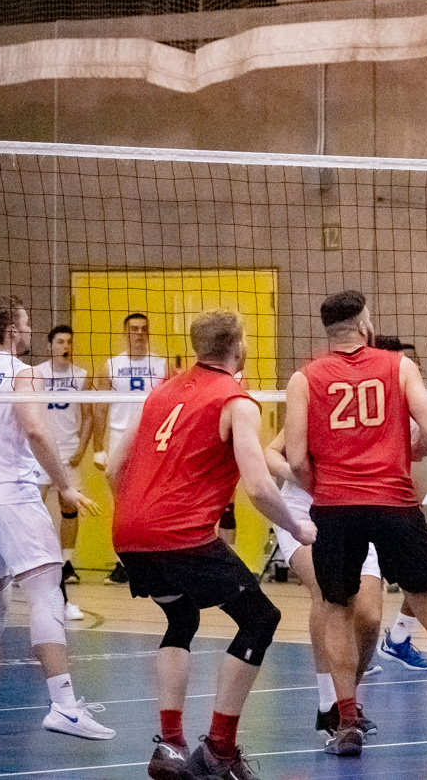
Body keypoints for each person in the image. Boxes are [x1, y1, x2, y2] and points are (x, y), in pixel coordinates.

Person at [284, 290, 427, 757]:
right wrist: (403, 457)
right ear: (365, 324)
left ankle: (346, 723)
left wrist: (323, 486)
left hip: (336, 506)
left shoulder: (304, 379)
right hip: (394, 500)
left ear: (328, 331)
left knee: (338, 610)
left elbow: (297, 458)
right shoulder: (398, 366)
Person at [108, 309, 313, 780]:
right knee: (261, 618)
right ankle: (220, 749)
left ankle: (171, 746)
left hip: (130, 533)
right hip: (180, 535)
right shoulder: (237, 402)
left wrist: (139, 517)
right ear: (238, 346)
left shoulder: (159, 394)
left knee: (182, 617)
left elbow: (114, 467)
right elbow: (260, 488)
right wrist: (300, 530)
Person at [0, 298, 113, 749]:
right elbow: (36, 430)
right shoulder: (25, 372)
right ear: (8, 331)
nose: (29, 328)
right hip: (14, 498)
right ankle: (63, 707)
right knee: (44, 592)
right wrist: (65, 486)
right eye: (24, 322)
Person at [94, 312, 168, 586]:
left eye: (143, 329)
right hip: (118, 441)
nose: (138, 333)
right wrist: (98, 447)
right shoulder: (111, 365)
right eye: (133, 329)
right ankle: (124, 563)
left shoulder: (161, 366)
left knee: (153, 502)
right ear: (125, 334)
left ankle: (156, 562)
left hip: (152, 444)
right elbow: (100, 407)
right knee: (122, 505)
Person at [35, 325, 90, 593]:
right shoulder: (37, 374)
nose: (65, 346)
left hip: (69, 452)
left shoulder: (80, 376)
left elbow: (89, 415)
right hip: (41, 451)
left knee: (69, 508)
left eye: (69, 341)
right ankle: (33, 561)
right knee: (33, 506)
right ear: (50, 346)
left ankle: (67, 563)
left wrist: (83, 448)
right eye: (60, 342)